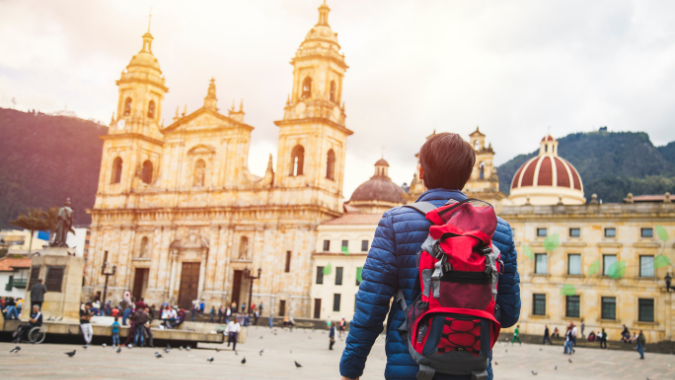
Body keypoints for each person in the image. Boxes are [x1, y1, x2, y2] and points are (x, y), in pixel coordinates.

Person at [339, 133, 521, 380]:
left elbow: (371, 308)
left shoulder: (394, 222)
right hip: (474, 370)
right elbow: (509, 314)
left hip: (410, 369)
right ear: (467, 177)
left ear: (421, 171)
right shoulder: (498, 230)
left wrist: (350, 370)